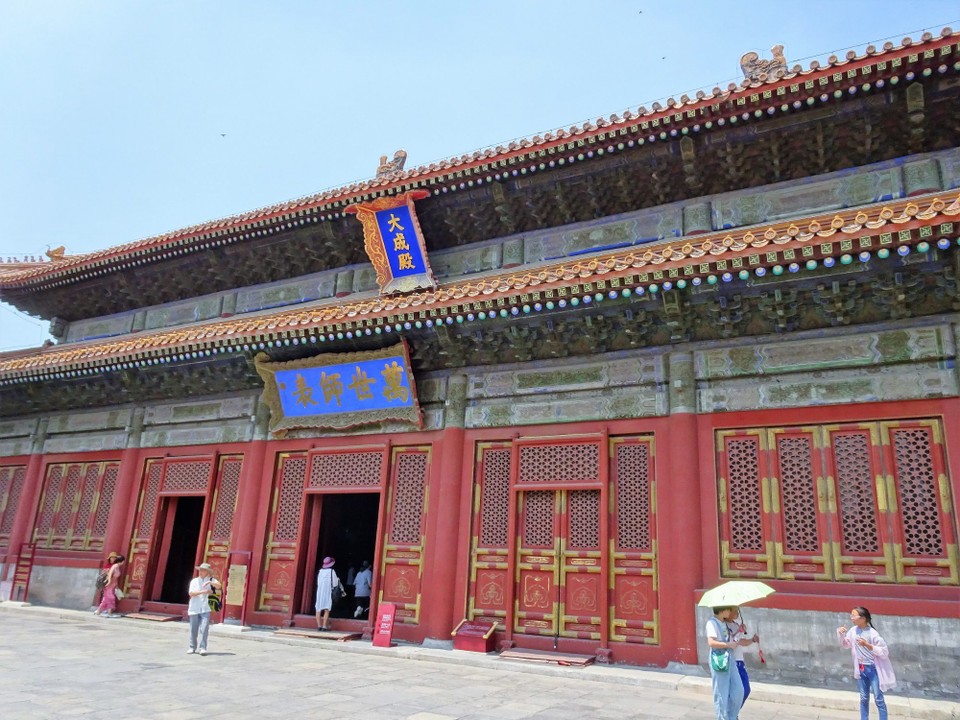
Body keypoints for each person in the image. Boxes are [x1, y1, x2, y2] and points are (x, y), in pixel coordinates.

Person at [838, 606, 895, 720]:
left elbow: (884, 652)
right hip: (861, 668)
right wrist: (841, 634)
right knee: (864, 697)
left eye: (854, 616)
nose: (851, 618)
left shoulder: (872, 633)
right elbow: (845, 644)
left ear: (863, 618)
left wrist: (868, 645)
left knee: (878, 698)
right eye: (851, 615)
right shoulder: (853, 631)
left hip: (874, 670)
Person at [705, 606, 744, 720]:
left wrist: (739, 631)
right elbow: (711, 642)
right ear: (722, 610)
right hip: (719, 659)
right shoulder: (712, 623)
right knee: (721, 693)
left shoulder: (724, 623)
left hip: (730, 658)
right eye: (728, 609)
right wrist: (727, 645)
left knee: (738, 690)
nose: (730, 612)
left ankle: (732, 716)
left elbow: (731, 638)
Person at [725, 606, 760, 706]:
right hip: (732, 661)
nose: (737, 612)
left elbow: (741, 642)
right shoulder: (724, 626)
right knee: (735, 690)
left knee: (746, 689)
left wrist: (752, 640)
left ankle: (733, 712)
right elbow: (732, 642)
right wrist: (739, 632)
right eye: (734, 610)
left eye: (737, 609)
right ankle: (730, 713)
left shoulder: (735, 625)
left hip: (740, 661)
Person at [187, 562, 221, 656]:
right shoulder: (194, 581)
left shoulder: (211, 580)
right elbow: (191, 593)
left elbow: (219, 586)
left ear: (207, 572)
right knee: (193, 629)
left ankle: (203, 647)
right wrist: (204, 591)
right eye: (200, 570)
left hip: (206, 608)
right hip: (194, 607)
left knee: (204, 627)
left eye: (203, 570)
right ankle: (192, 647)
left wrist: (210, 582)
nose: (201, 572)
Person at [315, 556, 342, 631]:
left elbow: (318, 582)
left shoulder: (320, 571)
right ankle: (324, 626)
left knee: (318, 609)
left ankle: (319, 626)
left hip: (320, 592)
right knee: (326, 609)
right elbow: (335, 583)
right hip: (327, 592)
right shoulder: (331, 571)